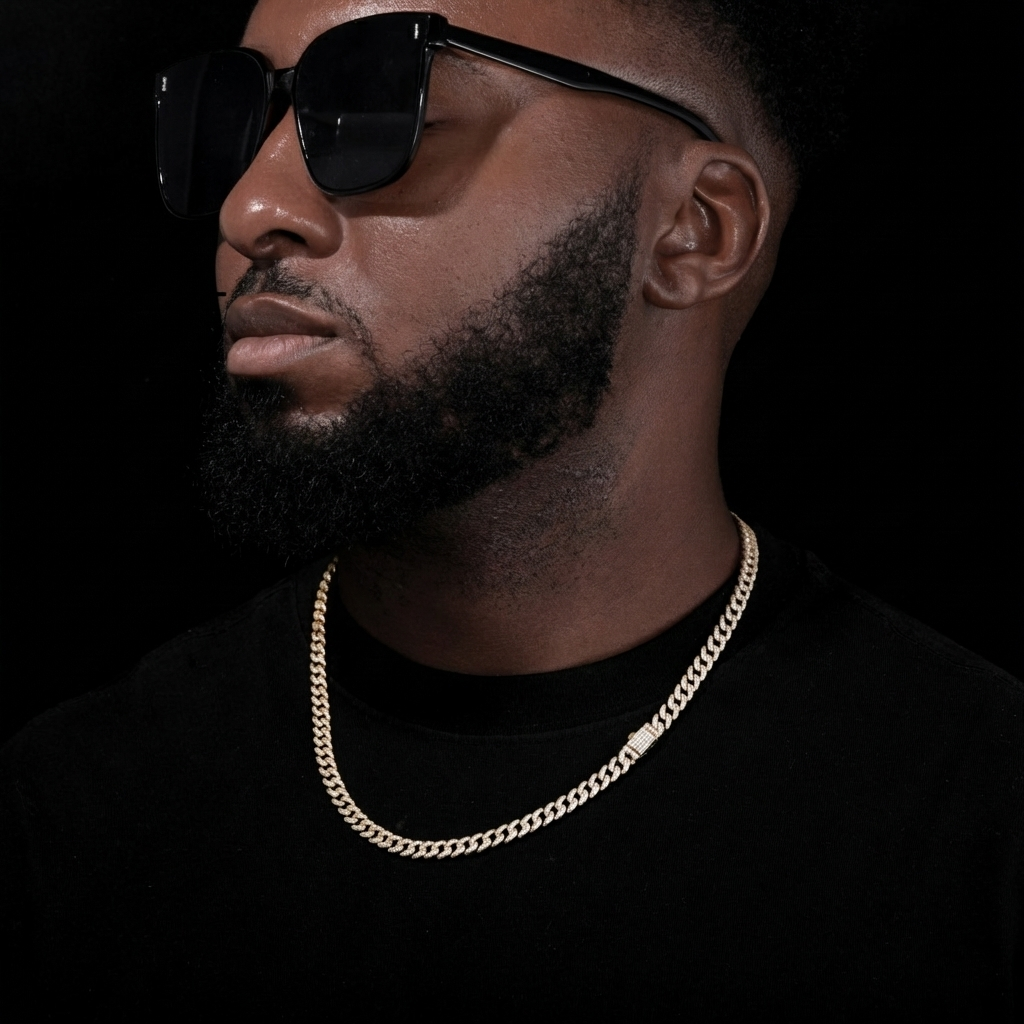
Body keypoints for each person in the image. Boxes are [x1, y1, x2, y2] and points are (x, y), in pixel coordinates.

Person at [2, 0, 1020, 1016]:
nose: (250, 207)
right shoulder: (82, 808)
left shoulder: (972, 814)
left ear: (695, 230)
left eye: (373, 102)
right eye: (237, 120)